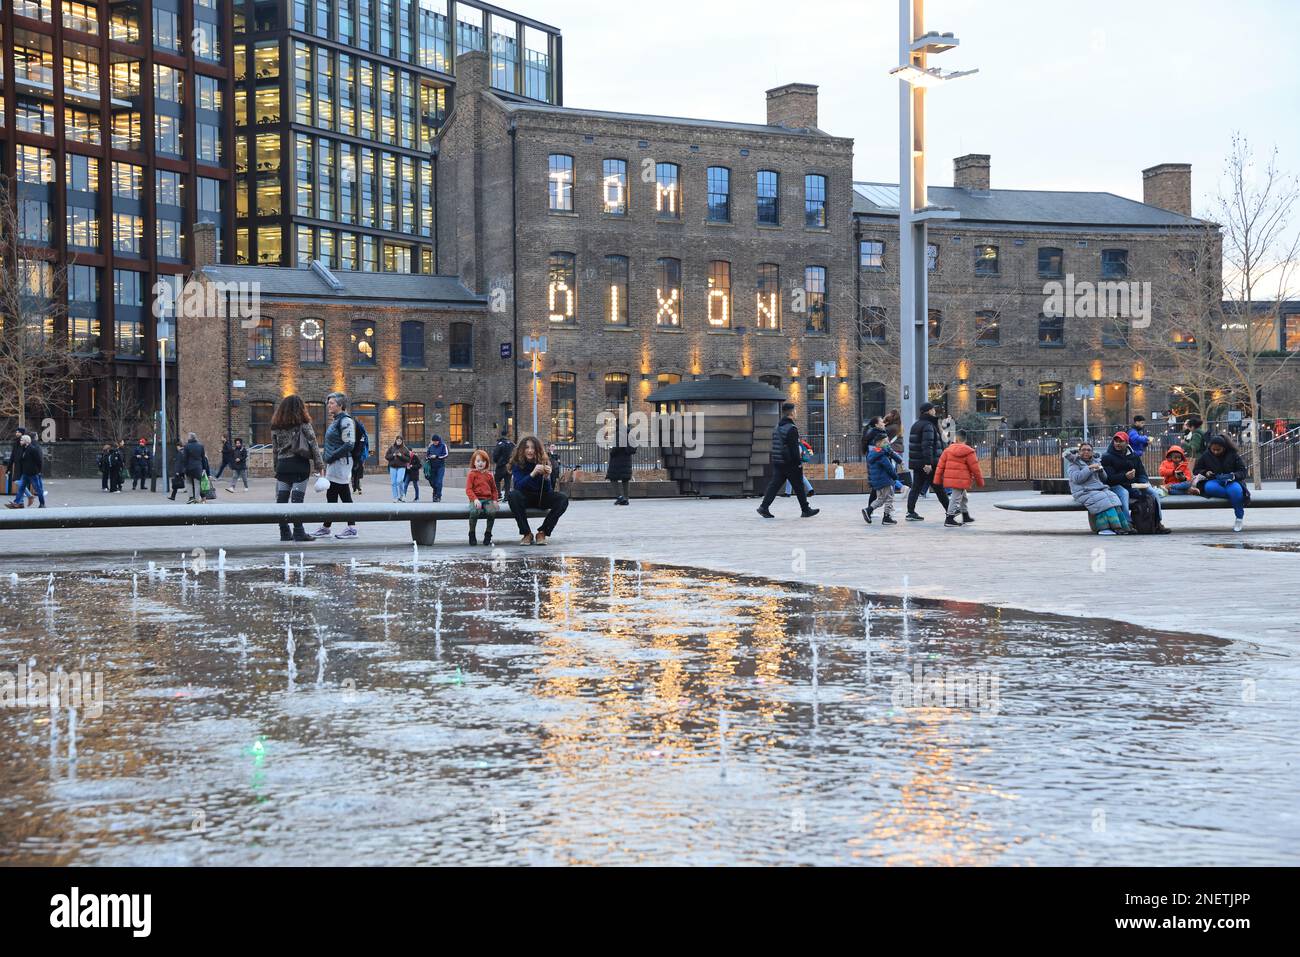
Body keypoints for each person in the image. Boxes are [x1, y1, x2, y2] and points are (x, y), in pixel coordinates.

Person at [270, 394, 324, 543]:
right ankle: (299, 532)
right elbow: (313, 443)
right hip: (299, 464)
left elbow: (275, 449)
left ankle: (284, 532)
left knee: (281, 500)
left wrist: (276, 468)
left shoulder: (276, 426)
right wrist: (320, 466)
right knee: (297, 500)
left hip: (283, 466)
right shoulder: (303, 424)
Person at [757, 402, 819, 519]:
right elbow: (794, 449)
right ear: (791, 412)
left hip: (778, 462)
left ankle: (764, 507)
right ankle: (805, 510)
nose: (796, 413)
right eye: (795, 411)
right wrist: (798, 463)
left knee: (774, 486)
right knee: (799, 486)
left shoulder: (777, 427)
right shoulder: (791, 428)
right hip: (790, 463)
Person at [311, 392, 359, 540]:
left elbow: (349, 444)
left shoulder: (345, 421)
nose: (329, 405)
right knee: (332, 495)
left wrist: (332, 456)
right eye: (328, 403)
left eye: (331, 403)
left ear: (340, 405)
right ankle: (327, 527)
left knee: (343, 494)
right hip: (335, 463)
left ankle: (351, 528)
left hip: (341, 463)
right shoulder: (337, 420)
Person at [1101, 431, 1170, 533]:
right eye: (1116, 441)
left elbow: (1142, 473)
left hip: (1133, 485)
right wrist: (1125, 476)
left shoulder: (1134, 456)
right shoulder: (1107, 457)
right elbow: (1109, 478)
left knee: (1153, 493)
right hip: (1116, 485)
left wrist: (1142, 483)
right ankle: (1127, 523)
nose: (1118, 443)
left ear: (1127, 443)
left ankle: (1157, 522)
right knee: (1124, 493)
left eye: (1121, 441)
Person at [507, 436, 569, 545]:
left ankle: (543, 532)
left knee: (563, 498)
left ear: (537, 449)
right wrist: (532, 474)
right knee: (513, 495)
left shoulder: (543, 461)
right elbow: (518, 486)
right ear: (522, 449)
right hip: (525, 498)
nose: (530, 450)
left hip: (540, 498)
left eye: (533, 448)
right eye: (527, 447)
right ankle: (527, 533)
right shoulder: (517, 464)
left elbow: (548, 491)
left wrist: (546, 478)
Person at [1064, 444, 1129, 535]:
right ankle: (1103, 528)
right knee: (1102, 499)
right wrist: (1089, 468)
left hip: (1098, 489)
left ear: (1092, 452)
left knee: (1113, 497)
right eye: (1083, 450)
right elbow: (1077, 478)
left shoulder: (1095, 461)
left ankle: (1122, 526)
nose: (1086, 452)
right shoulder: (1074, 464)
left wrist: (1101, 471)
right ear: (1079, 452)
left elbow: (1104, 479)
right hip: (1083, 491)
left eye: (1088, 450)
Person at [1192, 433, 1250, 532]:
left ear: (1224, 447)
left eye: (1218, 450)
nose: (1215, 452)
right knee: (1210, 488)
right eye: (1213, 449)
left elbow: (1243, 471)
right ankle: (1235, 497)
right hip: (1213, 480)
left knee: (1235, 490)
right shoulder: (1206, 455)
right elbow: (1196, 470)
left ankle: (1239, 518)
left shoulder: (1233, 455)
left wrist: (1234, 476)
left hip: (1232, 481)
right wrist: (1205, 472)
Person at [905, 402, 950, 520]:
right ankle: (950, 511)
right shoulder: (928, 426)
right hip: (928, 463)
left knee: (916, 488)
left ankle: (910, 512)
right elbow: (927, 445)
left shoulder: (917, 424)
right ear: (929, 411)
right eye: (933, 409)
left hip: (918, 463)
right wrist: (928, 463)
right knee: (939, 488)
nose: (935, 411)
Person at [932, 429, 984, 527]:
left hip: (952, 478)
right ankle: (949, 518)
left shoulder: (947, 450)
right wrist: (980, 482)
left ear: (956, 439)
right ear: (965, 439)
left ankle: (965, 515)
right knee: (955, 498)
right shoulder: (969, 451)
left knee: (963, 496)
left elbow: (940, 466)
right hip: (962, 479)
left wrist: (937, 479)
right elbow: (975, 468)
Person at [862, 433, 901, 526]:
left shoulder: (873, 453)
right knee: (889, 498)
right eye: (885, 442)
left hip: (878, 481)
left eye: (888, 442)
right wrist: (895, 476)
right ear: (879, 443)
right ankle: (886, 517)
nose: (888, 444)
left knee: (881, 499)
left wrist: (889, 451)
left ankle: (868, 510)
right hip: (886, 480)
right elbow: (889, 467)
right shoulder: (882, 455)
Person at [465, 448, 499, 545]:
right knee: (474, 512)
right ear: (474, 462)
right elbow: (468, 489)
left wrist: (495, 500)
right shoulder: (472, 474)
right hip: (476, 500)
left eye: (483, 461)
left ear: (486, 463)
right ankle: (472, 533)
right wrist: (475, 499)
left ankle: (488, 533)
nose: (481, 463)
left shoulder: (489, 475)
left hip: (488, 500)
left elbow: (494, 490)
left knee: (492, 512)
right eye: (478, 461)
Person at [4, 434, 46, 509]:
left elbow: (39, 461)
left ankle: (42, 504)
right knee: (21, 488)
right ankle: (16, 503)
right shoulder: (24, 449)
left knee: (38, 489)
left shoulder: (33, 449)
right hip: (25, 473)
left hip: (33, 473)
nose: (20, 441)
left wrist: (39, 471)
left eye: (22, 440)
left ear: (26, 441)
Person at [180, 432, 210, 504]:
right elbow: (203, 458)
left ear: (189, 438)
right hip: (198, 467)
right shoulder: (200, 446)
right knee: (197, 483)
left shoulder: (186, 446)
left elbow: (184, 458)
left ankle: (190, 497)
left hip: (189, 467)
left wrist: (183, 468)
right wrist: (204, 469)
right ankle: (196, 499)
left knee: (189, 482)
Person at [385, 435, 414, 502]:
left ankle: (402, 495)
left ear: (402, 441)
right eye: (397, 440)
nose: (398, 442)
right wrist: (393, 455)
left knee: (399, 480)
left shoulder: (405, 449)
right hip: (392, 467)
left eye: (400, 441)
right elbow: (386, 456)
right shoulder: (392, 448)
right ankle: (395, 497)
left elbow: (408, 459)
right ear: (395, 440)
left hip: (401, 467)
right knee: (393, 483)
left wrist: (401, 455)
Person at [606, 440, 635, 505]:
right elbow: (633, 449)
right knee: (625, 479)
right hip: (627, 461)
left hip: (617, 461)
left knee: (612, 478)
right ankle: (626, 499)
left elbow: (615, 449)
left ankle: (620, 497)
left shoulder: (619, 434)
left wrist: (612, 452)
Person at [424, 434, 449, 501]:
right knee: (432, 482)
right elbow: (427, 455)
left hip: (440, 467)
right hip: (432, 467)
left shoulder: (443, 445)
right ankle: (435, 492)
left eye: (436, 441)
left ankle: (438, 496)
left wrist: (437, 456)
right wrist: (429, 457)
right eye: (433, 441)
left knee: (439, 482)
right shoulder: (431, 446)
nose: (435, 442)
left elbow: (446, 454)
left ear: (438, 440)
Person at [492, 432, 515, 500]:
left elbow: (495, 455)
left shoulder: (499, 444)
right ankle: (507, 496)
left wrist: (497, 461)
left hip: (501, 465)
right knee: (507, 481)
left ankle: (498, 494)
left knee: (497, 480)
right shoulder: (511, 444)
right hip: (509, 465)